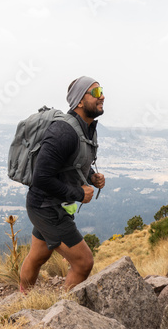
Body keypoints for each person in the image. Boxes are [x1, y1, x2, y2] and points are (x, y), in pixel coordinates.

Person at [19, 76, 105, 293]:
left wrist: (91, 177)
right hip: (46, 208)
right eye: (95, 92)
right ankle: (64, 312)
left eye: (101, 90)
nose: (102, 96)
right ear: (79, 101)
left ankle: (23, 300)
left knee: (38, 256)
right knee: (84, 262)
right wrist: (78, 192)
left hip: (54, 206)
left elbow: (72, 163)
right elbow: (41, 178)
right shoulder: (63, 132)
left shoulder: (86, 128)